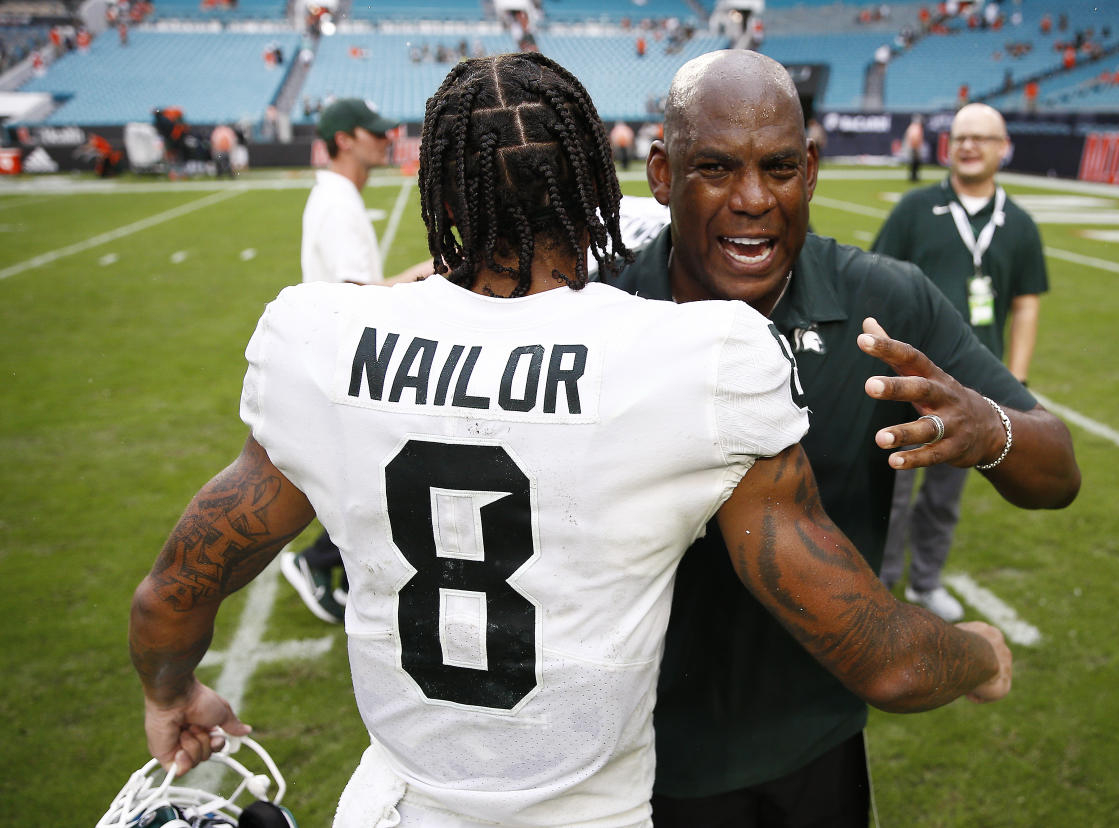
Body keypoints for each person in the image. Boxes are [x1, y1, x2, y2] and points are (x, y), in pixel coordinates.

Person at [128, 52, 1012, 828]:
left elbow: (171, 594)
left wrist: (173, 692)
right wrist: (979, 651)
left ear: (438, 192)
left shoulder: (321, 339)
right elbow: (882, 659)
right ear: (597, 185)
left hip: (400, 806)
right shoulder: (692, 360)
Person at [610, 49, 1079, 827]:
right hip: (640, 759)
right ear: (663, 174)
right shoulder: (605, 303)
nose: (754, 198)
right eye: (718, 168)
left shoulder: (882, 301)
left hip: (815, 742)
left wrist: (987, 428)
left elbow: (1057, 471)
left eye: (781, 167)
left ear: (813, 170)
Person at [873, 103, 1049, 622]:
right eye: (961, 136)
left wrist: (1016, 377)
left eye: (982, 138)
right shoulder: (914, 208)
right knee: (893, 490)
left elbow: (1025, 303)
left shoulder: (1018, 223)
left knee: (945, 495)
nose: (969, 145)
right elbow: (878, 280)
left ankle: (926, 582)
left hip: (975, 389)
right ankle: (880, 587)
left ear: (1003, 147)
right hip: (911, 383)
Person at [282, 97, 429, 623]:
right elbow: (357, 293)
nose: (384, 138)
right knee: (379, 477)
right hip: (343, 353)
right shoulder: (338, 202)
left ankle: (321, 561)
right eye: (372, 132)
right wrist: (430, 272)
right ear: (345, 139)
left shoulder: (339, 196)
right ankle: (315, 561)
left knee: (371, 476)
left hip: (342, 350)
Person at [903, 113, 925, 182]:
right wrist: (915, 148)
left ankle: (913, 176)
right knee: (915, 163)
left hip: (913, 147)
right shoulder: (916, 127)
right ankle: (914, 177)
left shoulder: (913, 127)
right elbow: (914, 138)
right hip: (914, 147)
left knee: (914, 163)